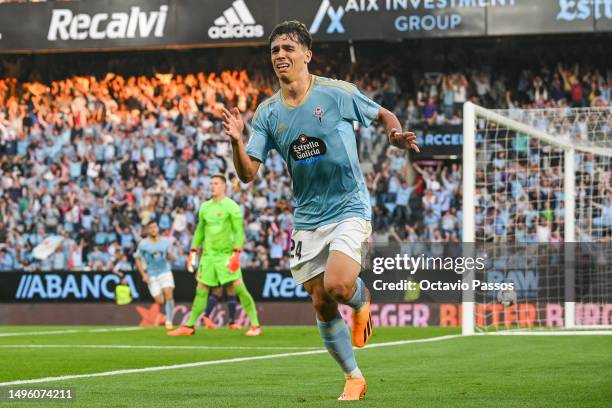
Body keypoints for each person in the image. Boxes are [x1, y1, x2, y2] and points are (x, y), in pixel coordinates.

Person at [221, 21, 418, 401]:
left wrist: (394, 136)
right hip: (309, 217)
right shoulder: (266, 114)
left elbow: (383, 115)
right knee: (320, 301)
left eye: (288, 49)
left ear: (306, 55)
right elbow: (247, 174)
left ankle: (361, 302)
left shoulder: (335, 93)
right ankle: (353, 377)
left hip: (349, 205)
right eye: (275, 50)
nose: (280, 55)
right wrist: (236, 143)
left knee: (340, 285)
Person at [168, 174, 261, 336]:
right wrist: (193, 251)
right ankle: (189, 326)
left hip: (226, 256)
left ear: (224, 186)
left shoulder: (232, 207)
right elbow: (199, 230)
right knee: (201, 290)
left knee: (240, 289)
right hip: (208, 257)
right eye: (211, 183)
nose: (212, 186)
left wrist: (237, 254)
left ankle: (255, 325)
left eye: (216, 183)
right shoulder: (205, 207)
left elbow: (239, 232)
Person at [134, 221, 176, 329]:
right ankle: (166, 312)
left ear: (158, 228)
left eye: (155, 227)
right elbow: (137, 259)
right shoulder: (143, 244)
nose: (153, 229)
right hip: (152, 274)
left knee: (168, 293)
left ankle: (169, 321)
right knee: (160, 300)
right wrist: (143, 274)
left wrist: (172, 257)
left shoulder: (166, 242)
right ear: (147, 230)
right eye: (150, 228)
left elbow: (171, 257)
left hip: (165, 271)